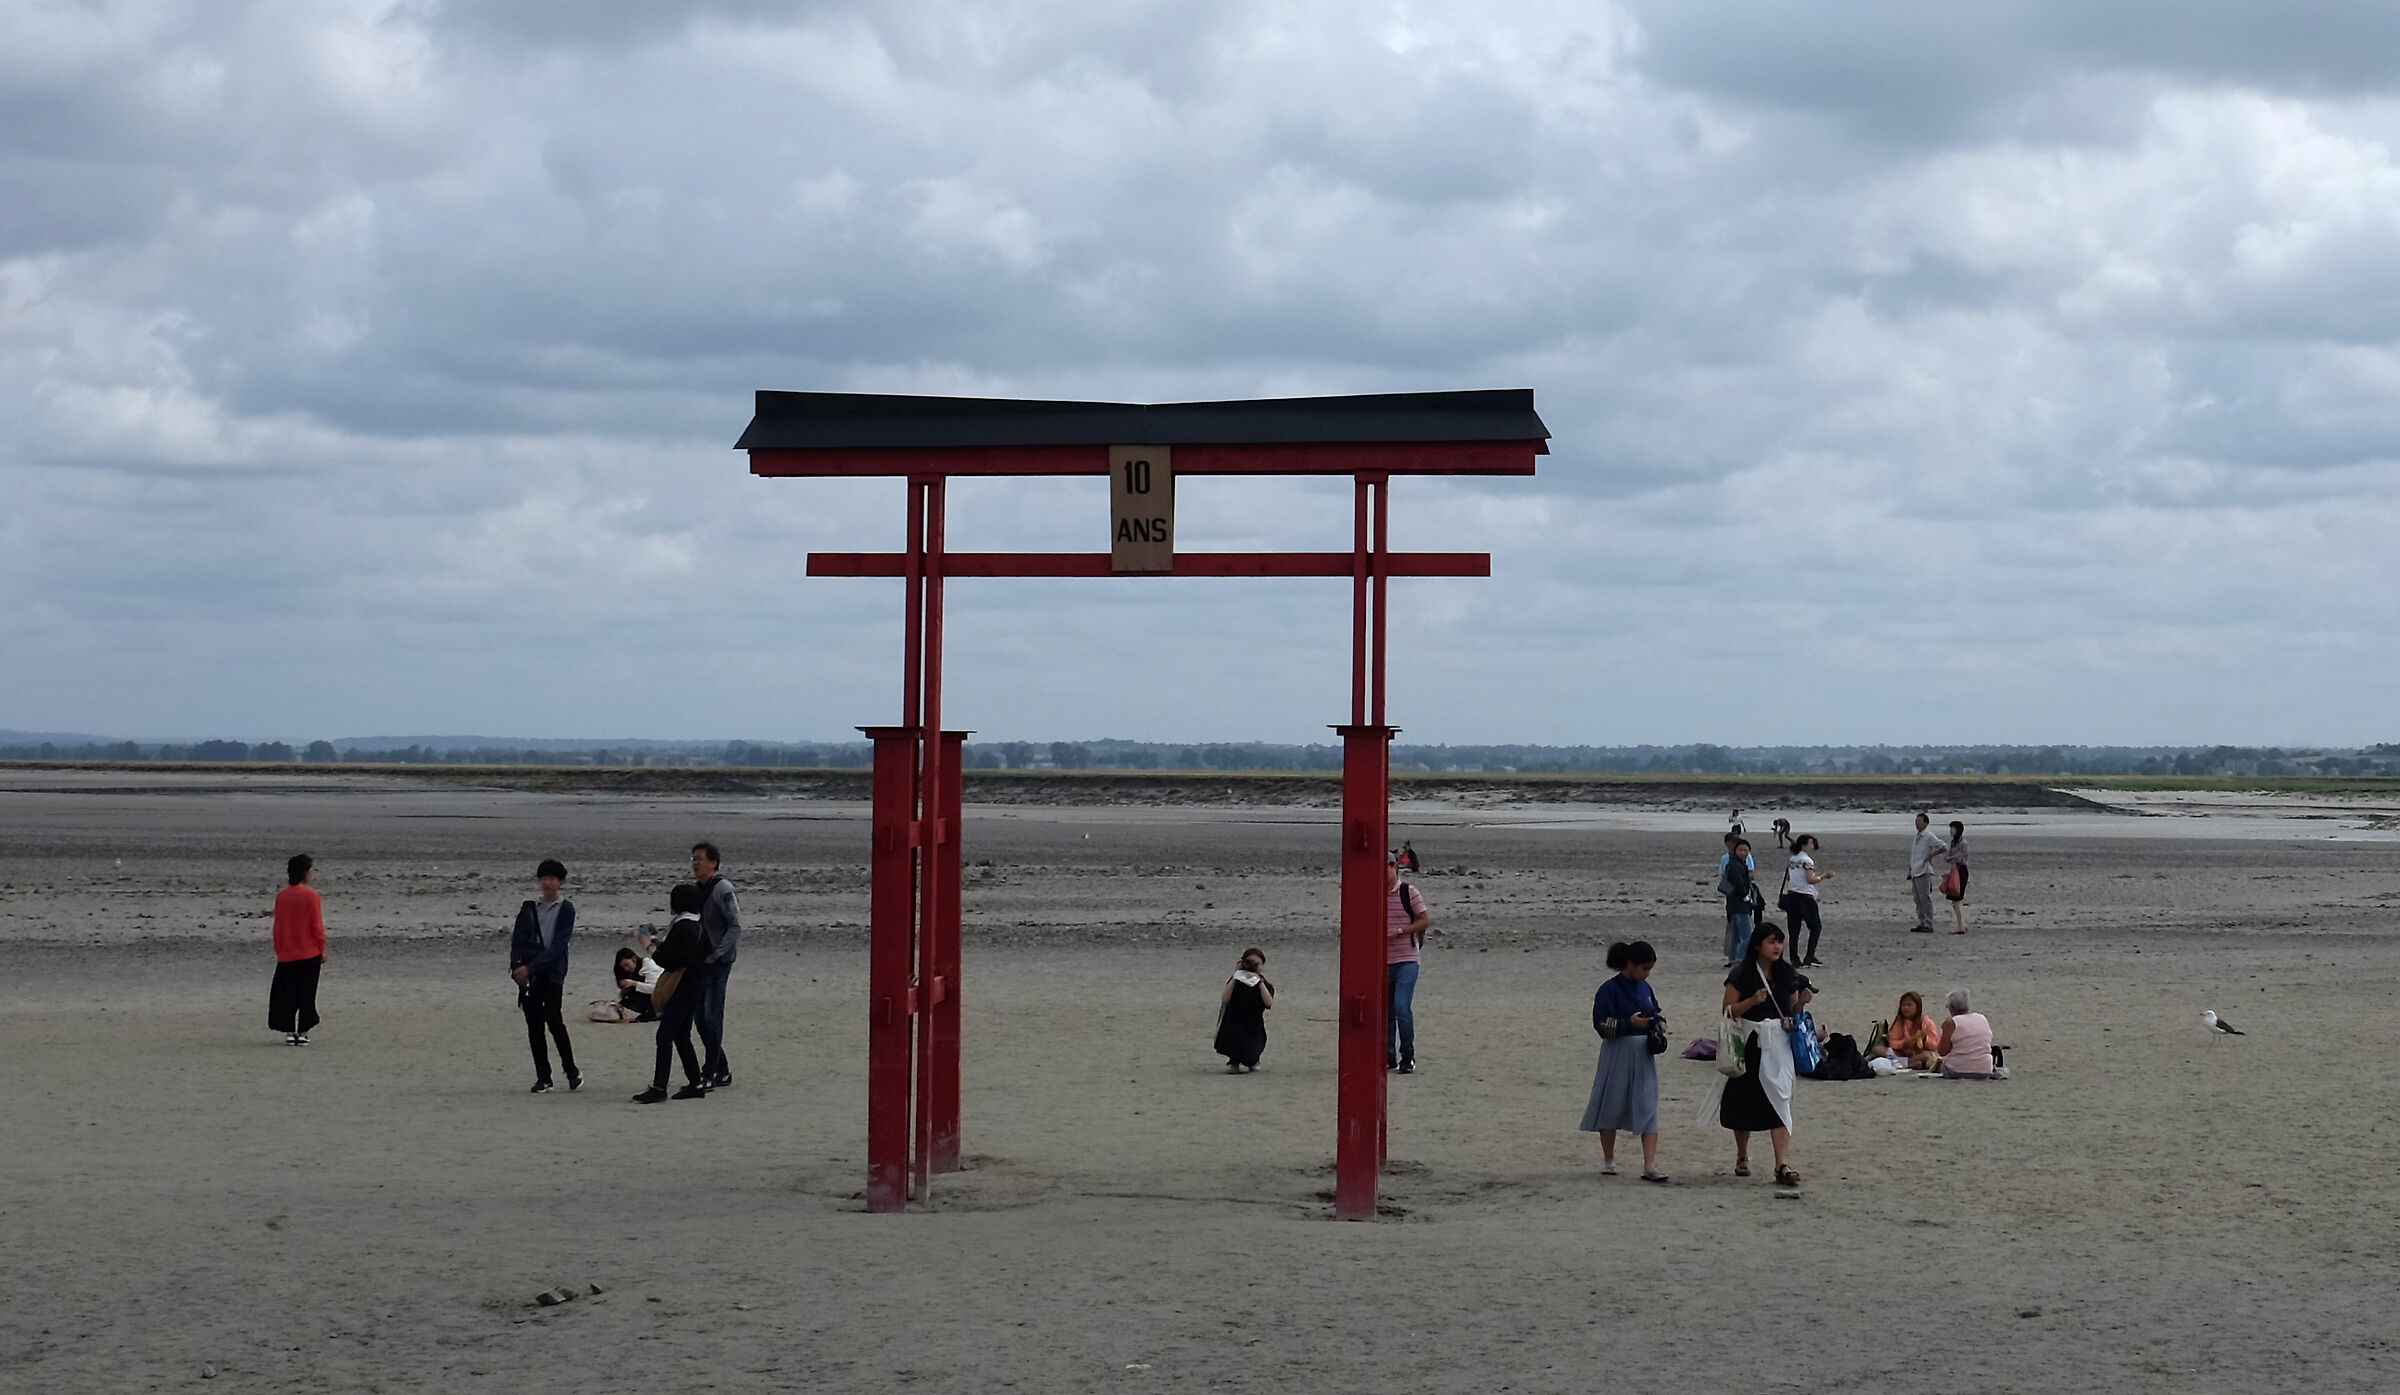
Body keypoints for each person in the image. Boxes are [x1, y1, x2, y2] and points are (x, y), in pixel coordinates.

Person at [1712, 924, 1812, 1186]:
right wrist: (1751, 1001)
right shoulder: (1742, 974)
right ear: (1757, 945)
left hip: (1778, 1046)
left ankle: (1781, 1164)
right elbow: (1727, 1010)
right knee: (1743, 1100)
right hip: (1750, 1042)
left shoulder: (1787, 973)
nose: (1777, 947)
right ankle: (1742, 1155)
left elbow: (1791, 1011)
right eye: (1771, 942)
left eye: (1780, 942)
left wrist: (1801, 1004)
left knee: (1780, 1099)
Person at [1580, 940, 1668, 1183]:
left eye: (1650, 969)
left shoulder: (1645, 988)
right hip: (1617, 1051)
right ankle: (1609, 1160)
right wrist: (1628, 1024)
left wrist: (1658, 1022)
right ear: (1630, 964)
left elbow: (1654, 1012)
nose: (1647, 974)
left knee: (1648, 1105)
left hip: (1643, 1053)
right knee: (1611, 1103)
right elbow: (1600, 1025)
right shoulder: (1608, 990)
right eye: (1644, 968)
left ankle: (1649, 1165)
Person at [508, 858, 580, 1093]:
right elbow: (518, 940)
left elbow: (559, 945)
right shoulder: (529, 909)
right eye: (544, 879)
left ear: (561, 882)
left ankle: (571, 1071)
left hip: (552, 972)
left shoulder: (566, 908)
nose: (548, 883)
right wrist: (517, 968)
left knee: (554, 1020)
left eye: (552, 879)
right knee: (534, 1025)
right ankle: (544, 1077)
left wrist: (532, 967)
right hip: (529, 974)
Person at [633, 883, 710, 1103]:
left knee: (665, 1035)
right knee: (681, 1035)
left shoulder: (682, 926)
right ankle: (696, 1082)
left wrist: (648, 945)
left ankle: (659, 1087)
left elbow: (667, 959)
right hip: (695, 984)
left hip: (680, 987)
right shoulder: (698, 924)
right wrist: (658, 942)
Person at [690, 842, 741, 1089]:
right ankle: (722, 1068)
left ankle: (709, 1072)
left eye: (700, 859)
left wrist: (719, 953)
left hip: (718, 963)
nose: (695, 863)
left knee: (712, 1017)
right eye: (693, 859)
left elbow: (736, 925)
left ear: (713, 862)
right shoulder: (696, 890)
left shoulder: (723, 889)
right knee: (700, 1019)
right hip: (699, 963)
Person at [268, 853, 326, 1046]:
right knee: (306, 994)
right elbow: (316, 926)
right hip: (309, 953)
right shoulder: (311, 896)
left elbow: (278, 925)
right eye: (311, 870)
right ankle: (302, 1031)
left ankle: (290, 1031)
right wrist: (322, 948)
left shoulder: (282, 896)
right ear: (305, 872)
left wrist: (279, 948)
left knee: (287, 994)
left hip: (287, 953)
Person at [1385, 854, 1431, 1074]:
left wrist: (1401, 931)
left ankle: (1408, 1056)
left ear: (1394, 867)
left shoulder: (1408, 892)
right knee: (1386, 1010)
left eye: (1385, 867)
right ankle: (1388, 1054)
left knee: (1402, 1006)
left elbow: (1424, 920)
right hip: (1382, 961)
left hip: (1407, 959)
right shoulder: (1373, 894)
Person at [1213, 947, 1275, 1072]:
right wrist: (1236, 977)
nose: (1252, 966)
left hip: (1254, 1023)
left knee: (1251, 1053)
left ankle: (1253, 1060)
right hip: (1234, 1020)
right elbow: (1225, 999)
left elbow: (1268, 1003)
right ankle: (1234, 1062)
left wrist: (1259, 982)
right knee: (1233, 1042)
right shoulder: (1235, 981)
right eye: (1249, 962)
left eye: (1257, 964)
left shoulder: (1263, 983)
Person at [1782, 833, 1832, 967]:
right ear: (1804, 845)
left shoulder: (1793, 859)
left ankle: (1794, 958)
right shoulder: (1807, 860)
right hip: (1805, 896)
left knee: (1794, 929)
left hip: (1792, 895)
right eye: (1811, 843)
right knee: (1815, 927)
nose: (1813, 846)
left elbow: (1789, 878)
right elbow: (1810, 879)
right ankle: (1809, 956)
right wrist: (1823, 876)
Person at [1937, 988, 2001, 1078]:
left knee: (1941, 1065)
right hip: (1984, 1069)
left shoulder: (1951, 1023)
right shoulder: (1982, 1018)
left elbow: (1942, 1051)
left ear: (1951, 1007)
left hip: (1957, 1070)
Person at [590, 947, 662, 1023]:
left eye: (627, 965)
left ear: (634, 959)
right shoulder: (632, 971)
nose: (626, 969)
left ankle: (654, 1012)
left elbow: (656, 989)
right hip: (651, 996)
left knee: (630, 993)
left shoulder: (649, 965)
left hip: (661, 997)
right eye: (623, 967)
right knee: (626, 995)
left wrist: (634, 983)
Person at [1718, 835, 1757, 968]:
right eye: (1741, 850)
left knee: (1735, 933)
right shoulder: (1736, 865)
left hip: (1732, 904)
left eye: (1746, 850)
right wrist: (1745, 896)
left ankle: (1733, 959)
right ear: (1735, 851)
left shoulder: (1735, 863)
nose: (1743, 853)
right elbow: (1739, 883)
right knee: (1747, 935)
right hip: (1739, 904)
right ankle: (1740, 960)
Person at [1880, 990, 1941, 1070]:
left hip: (1919, 1053)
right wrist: (1905, 1043)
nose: (1906, 1008)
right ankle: (1910, 1063)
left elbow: (1936, 1045)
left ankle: (1906, 1063)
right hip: (1902, 1054)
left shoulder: (1926, 1023)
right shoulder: (1899, 1022)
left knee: (1927, 1056)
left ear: (1917, 1007)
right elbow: (1893, 1042)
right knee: (1877, 1049)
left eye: (1909, 1005)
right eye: (1903, 1005)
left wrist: (1925, 1039)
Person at [1943, 821, 1971, 935]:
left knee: (1956, 899)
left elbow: (1960, 857)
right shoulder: (1953, 842)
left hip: (1961, 870)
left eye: (1952, 829)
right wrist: (1950, 858)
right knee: (1954, 899)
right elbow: (1947, 857)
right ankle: (1962, 923)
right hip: (1954, 870)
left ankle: (1960, 925)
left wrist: (1951, 857)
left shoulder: (1963, 843)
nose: (1951, 831)